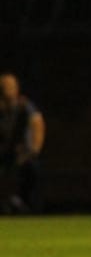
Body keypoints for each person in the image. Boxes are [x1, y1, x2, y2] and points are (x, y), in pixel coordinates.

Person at [0, 72, 46, 214]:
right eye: (4, 87)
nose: (7, 90)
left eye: (10, 87)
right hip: (4, 153)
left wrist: (32, 151)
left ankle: (27, 204)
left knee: (33, 169)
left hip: (24, 154)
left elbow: (37, 123)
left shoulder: (25, 107)